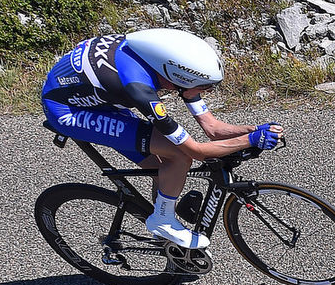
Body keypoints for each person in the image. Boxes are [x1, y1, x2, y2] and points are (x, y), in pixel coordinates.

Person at [40, 28, 283, 250]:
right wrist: (251, 140)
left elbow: (213, 128)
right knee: (177, 156)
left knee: (162, 168)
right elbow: (195, 151)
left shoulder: (159, 58)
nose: (203, 93)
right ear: (177, 77)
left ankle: (164, 234)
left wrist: (254, 130)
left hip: (98, 97)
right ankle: (163, 221)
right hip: (68, 111)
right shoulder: (140, 88)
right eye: (202, 87)